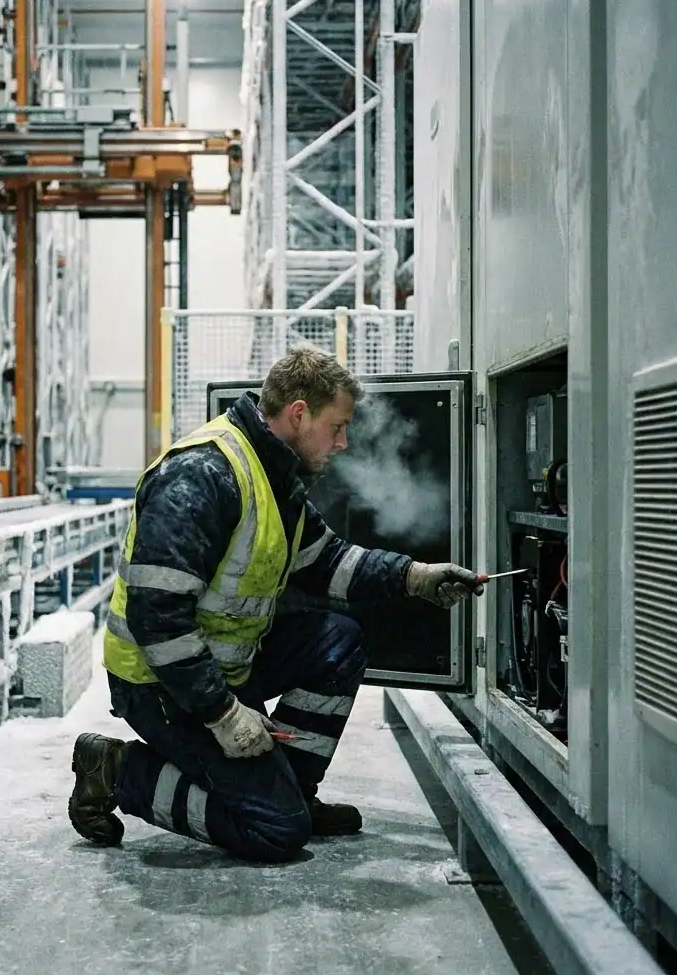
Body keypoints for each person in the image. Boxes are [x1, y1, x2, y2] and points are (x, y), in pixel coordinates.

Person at [68, 346, 483, 863]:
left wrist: (414, 577)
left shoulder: (274, 476)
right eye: (337, 427)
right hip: (161, 682)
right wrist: (224, 716)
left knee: (339, 639)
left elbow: (328, 561)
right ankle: (116, 770)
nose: (343, 442)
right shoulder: (203, 475)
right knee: (275, 831)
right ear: (299, 414)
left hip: (225, 666)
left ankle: (292, 792)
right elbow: (158, 620)